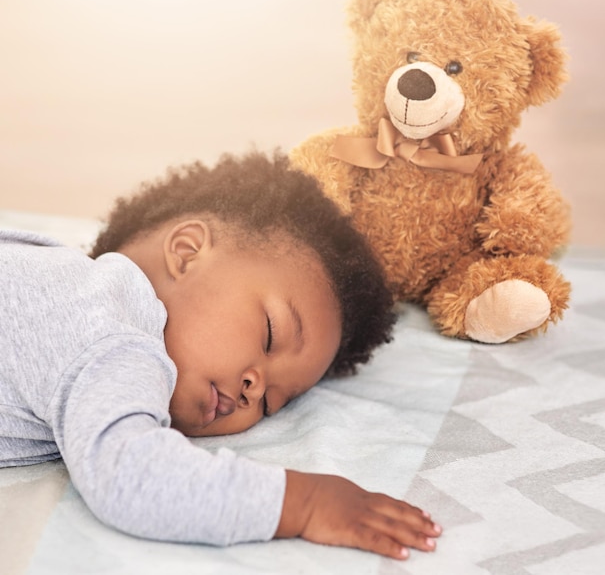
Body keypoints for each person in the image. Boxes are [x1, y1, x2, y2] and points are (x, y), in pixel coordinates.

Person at [0, 151, 442, 560]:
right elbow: (130, 475)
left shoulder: (55, 285)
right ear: (187, 252)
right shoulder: (112, 329)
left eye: (273, 404)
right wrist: (304, 503)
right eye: (270, 334)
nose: (256, 388)